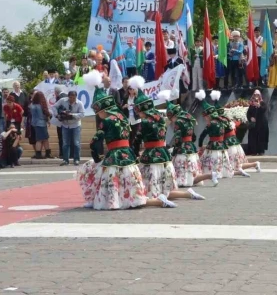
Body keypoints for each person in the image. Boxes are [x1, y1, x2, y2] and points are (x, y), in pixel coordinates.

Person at [80, 71, 177, 210]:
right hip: (128, 155)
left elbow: (95, 141)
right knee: (130, 185)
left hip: (114, 156)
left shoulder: (107, 121)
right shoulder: (123, 118)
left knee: (104, 179)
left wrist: (96, 156)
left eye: (98, 112)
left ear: (101, 109)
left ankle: (105, 200)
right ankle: (156, 200)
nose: (98, 115)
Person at [131, 80, 204, 203]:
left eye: (137, 110)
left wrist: (135, 153)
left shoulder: (145, 122)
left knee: (149, 188)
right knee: (166, 187)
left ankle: (160, 201)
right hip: (163, 155)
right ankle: (187, 194)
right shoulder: (160, 119)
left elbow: (138, 139)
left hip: (151, 156)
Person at [166, 98, 214, 188]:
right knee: (192, 166)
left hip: (182, 147)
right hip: (190, 146)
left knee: (182, 165)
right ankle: (198, 179)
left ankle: (182, 181)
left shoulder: (178, 122)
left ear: (172, 115)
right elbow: (194, 136)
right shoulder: (189, 119)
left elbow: (177, 138)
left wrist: (174, 149)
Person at [195, 90, 231, 182]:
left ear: (209, 116)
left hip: (213, 145)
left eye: (206, 117)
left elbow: (202, 136)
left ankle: (212, 174)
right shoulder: (222, 121)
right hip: (222, 145)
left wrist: (200, 146)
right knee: (221, 160)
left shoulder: (211, 124)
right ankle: (221, 172)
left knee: (210, 161)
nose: (205, 119)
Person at [54, 90, 85, 166]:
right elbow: (54, 106)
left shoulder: (79, 103)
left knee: (76, 143)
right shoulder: (62, 101)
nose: (72, 99)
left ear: (76, 97)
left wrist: (72, 115)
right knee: (65, 143)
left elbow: (82, 114)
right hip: (65, 125)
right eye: (70, 97)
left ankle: (76, 159)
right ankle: (65, 160)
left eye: (73, 97)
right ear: (68, 96)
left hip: (75, 125)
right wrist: (57, 114)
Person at [246, 90, 269, 156]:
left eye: (257, 95)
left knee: (261, 137)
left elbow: (264, 110)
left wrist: (259, 106)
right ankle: (253, 151)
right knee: (253, 137)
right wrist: (251, 118)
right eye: (255, 95)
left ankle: (261, 151)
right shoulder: (251, 104)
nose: (256, 96)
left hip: (261, 124)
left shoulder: (262, 103)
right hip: (254, 124)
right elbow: (248, 113)